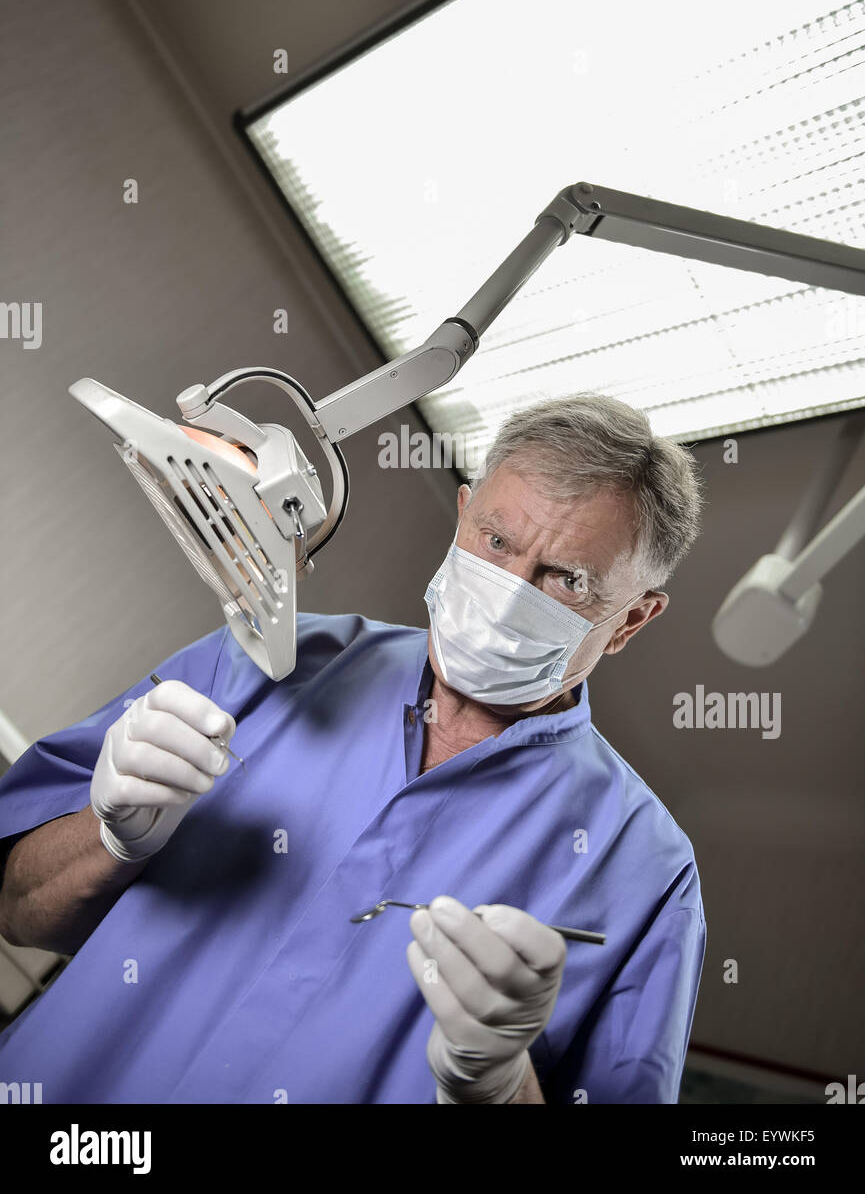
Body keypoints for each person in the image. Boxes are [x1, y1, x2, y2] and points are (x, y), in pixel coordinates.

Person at [0, 393, 706, 1104]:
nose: (508, 591)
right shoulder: (261, 661)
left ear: (631, 621)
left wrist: (496, 1085)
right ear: (462, 515)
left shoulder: (642, 869)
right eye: (495, 541)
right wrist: (109, 839)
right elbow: (18, 911)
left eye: (565, 579)